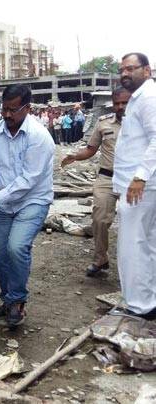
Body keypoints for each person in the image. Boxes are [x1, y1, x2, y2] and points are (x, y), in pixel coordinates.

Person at [0, 84, 54, 328]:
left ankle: (18, 302)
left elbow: (29, 179)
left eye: (14, 110)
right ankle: (8, 298)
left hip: (33, 200)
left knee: (16, 247)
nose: (8, 115)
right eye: (4, 109)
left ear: (27, 108)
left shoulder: (39, 136)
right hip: (4, 202)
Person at [61, 87, 130, 277]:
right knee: (99, 219)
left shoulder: (142, 123)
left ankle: (133, 265)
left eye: (125, 102)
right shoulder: (103, 123)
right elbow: (91, 149)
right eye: (117, 103)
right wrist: (74, 156)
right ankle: (101, 259)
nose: (121, 106)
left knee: (132, 223)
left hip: (133, 182)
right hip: (107, 178)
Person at [113, 52, 156, 319]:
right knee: (146, 242)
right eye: (122, 70)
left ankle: (139, 306)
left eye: (131, 68)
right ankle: (148, 299)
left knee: (133, 244)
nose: (125, 73)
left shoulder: (148, 98)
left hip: (141, 186)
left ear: (147, 70)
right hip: (140, 185)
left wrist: (139, 176)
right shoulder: (141, 97)